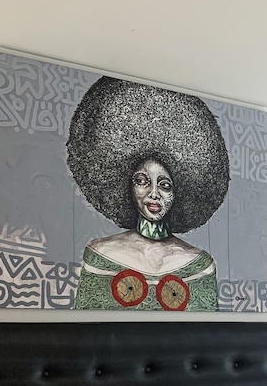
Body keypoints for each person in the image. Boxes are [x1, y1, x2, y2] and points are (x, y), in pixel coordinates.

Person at [66, 76, 230, 311]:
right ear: (127, 186)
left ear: (180, 192)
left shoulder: (200, 265)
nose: (153, 194)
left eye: (164, 185)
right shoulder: (100, 254)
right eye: (142, 181)